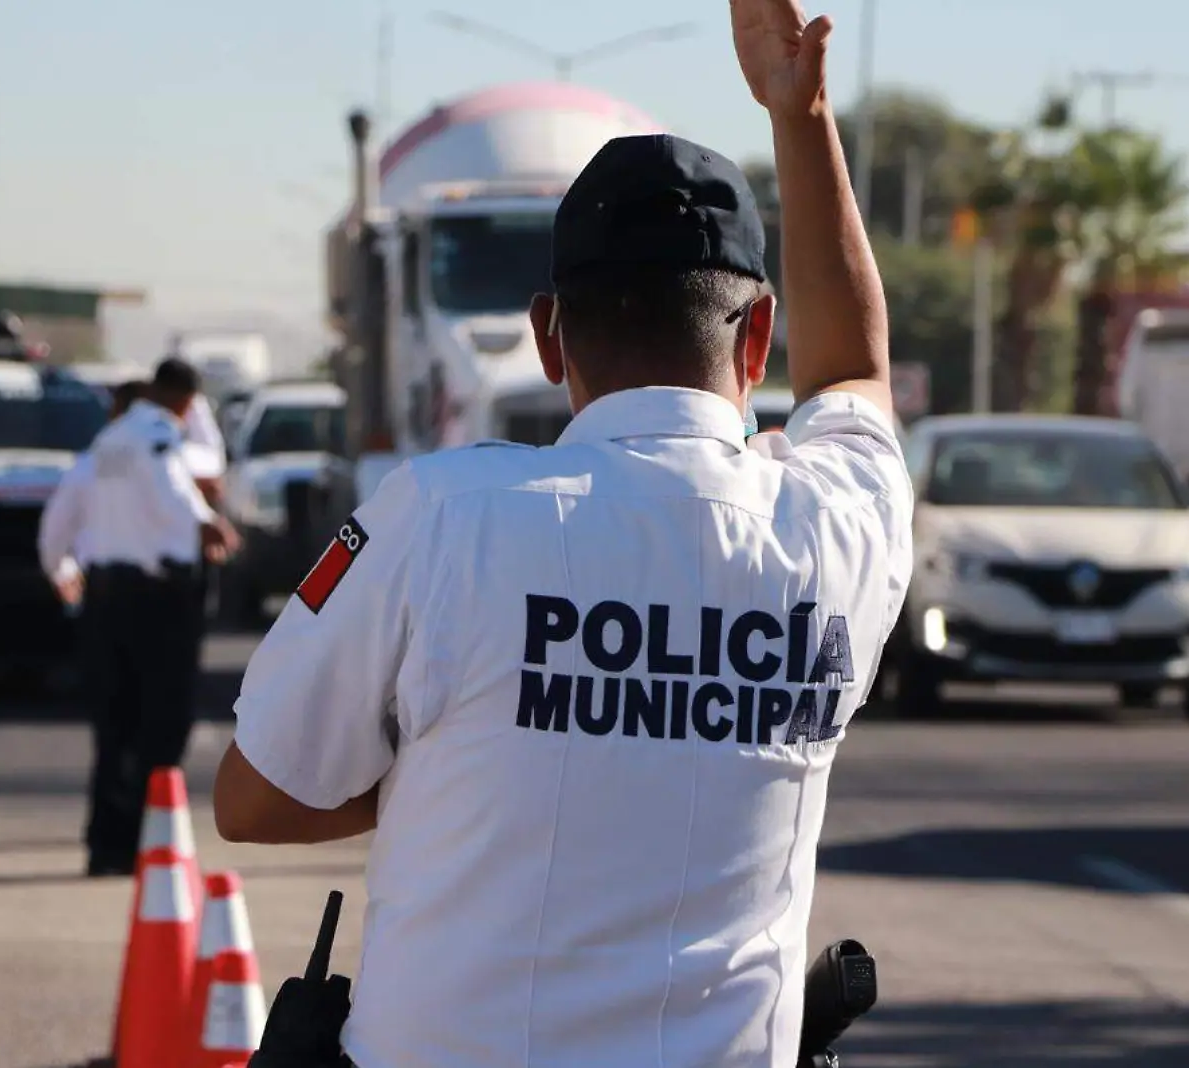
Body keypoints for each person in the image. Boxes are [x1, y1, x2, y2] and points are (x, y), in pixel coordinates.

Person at [212, 2, 911, 1065]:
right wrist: (799, 113)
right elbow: (856, 370)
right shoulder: (834, 532)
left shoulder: (439, 516)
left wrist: (479, 770)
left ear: (548, 335)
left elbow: (256, 797)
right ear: (756, 333)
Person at [77, 360, 239, 877]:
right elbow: (178, 488)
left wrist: (59, 566)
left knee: (114, 725)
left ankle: (108, 844)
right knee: (163, 724)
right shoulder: (158, 438)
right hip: (161, 598)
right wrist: (208, 524)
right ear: (185, 403)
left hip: (105, 597)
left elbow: (60, 519)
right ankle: (153, 839)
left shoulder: (105, 444)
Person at [38, 379, 148, 609]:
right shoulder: (93, 467)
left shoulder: (89, 466)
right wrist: (64, 574)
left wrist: (60, 572)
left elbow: (54, 535)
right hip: (132, 590)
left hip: (112, 590)